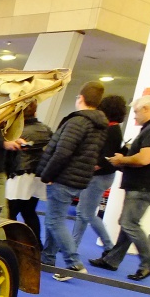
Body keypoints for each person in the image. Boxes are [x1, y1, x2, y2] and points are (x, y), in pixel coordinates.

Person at [36, 81, 108, 281]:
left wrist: (47, 175)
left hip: (63, 178)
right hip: (78, 179)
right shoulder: (100, 125)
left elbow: (62, 152)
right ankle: (47, 258)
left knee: (54, 220)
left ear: (80, 98)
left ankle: (74, 264)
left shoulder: (77, 121)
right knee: (55, 218)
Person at [89, 94, 150, 281]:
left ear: (146, 109)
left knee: (129, 223)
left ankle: (148, 263)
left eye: (136, 112)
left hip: (142, 185)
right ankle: (112, 259)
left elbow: (144, 159)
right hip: (140, 184)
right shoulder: (148, 128)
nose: (133, 117)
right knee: (127, 224)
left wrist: (122, 159)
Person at [72, 95, 127, 255]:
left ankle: (108, 246)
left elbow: (105, 158)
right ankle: (73, 244)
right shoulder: (112, 128)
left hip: (99, 176)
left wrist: (85, 168)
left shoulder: (111, 130)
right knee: (84, 213)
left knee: (86, 213)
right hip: (102, 176)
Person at [6, 101, 52, 248]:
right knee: (29, 212)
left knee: (9, 213)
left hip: (18, 176)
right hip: (37, 177)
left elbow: (10, 158)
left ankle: (9, 244)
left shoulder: (16, 132)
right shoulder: (46, 129)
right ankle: (36, 245)